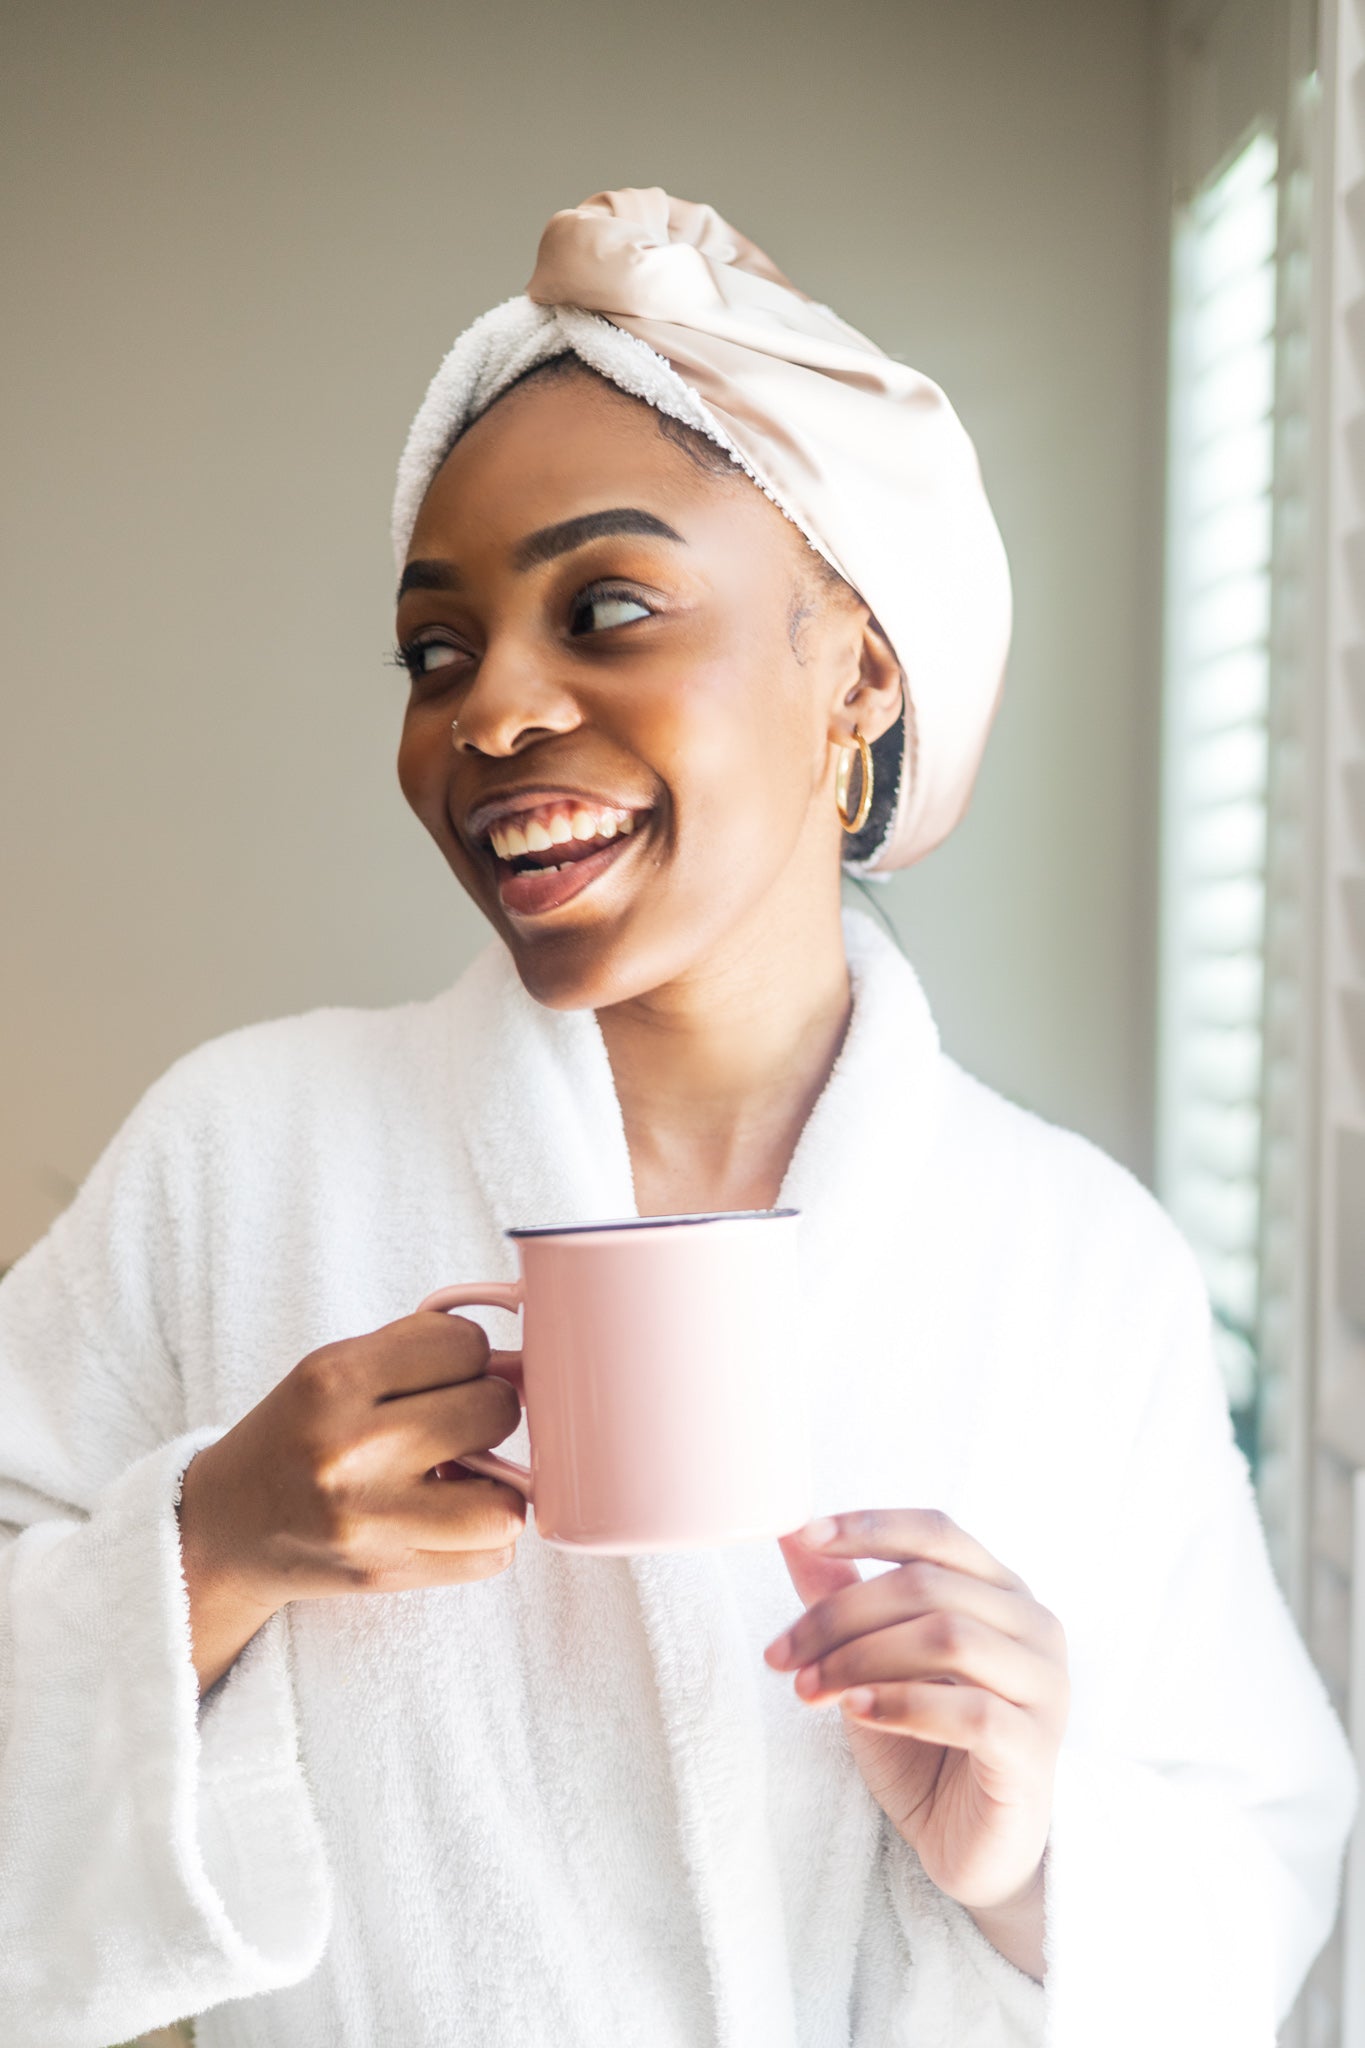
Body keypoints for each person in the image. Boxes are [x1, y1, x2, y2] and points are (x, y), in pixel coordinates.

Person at [0, 187, 1354, 2048]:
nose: (488, 713)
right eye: (434, 648)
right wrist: (210, 1544)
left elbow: (1255, 1860)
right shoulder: (243, 1155)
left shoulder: (1067, 1259)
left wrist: (1034, 1851)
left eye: (608, 606)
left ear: (855, 670)